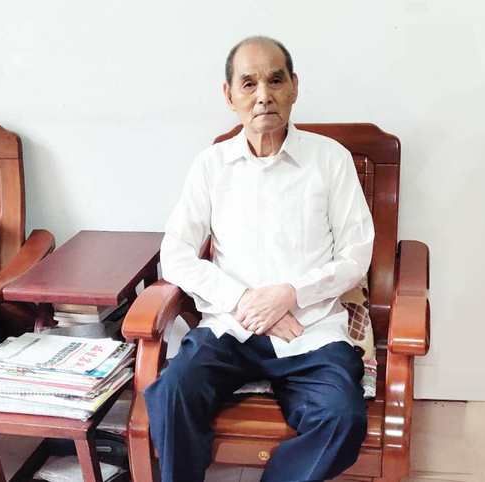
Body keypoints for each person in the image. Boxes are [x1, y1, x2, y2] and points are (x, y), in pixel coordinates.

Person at [145, 36, 375, 482]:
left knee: (342, 419)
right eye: (249, 83)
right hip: (231, 329)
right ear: (229, 95)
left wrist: (289, 295)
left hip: (309, 332)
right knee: (172, 393)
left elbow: (356, 255)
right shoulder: (211, 165)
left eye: (275, 80)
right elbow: (175, 254)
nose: (263, 95)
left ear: (294, 87)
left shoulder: (331, 159)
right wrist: (245, 301)